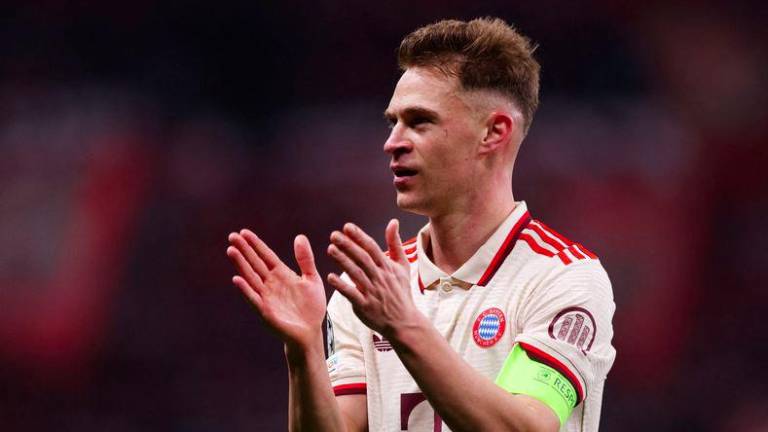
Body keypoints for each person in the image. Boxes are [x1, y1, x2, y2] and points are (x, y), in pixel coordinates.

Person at [226, 17, 615, 432]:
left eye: (419, 121)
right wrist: (303, 353)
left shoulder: (563, 279)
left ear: (494, 132)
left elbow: (525, 427)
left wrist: (404, 325)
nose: (392, 141)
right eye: (392, 121)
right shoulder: (371, 288)